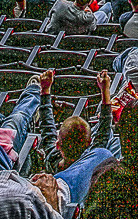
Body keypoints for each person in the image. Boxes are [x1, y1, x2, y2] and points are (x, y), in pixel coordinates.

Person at [35, 68, 120, 206]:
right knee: (112, 140)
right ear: (89, 143)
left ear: (58, 144)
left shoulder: (52, 158)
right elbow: (104, 129)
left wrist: (45, 91)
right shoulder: (95, 162)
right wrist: (105, 91)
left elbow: (47, 127)